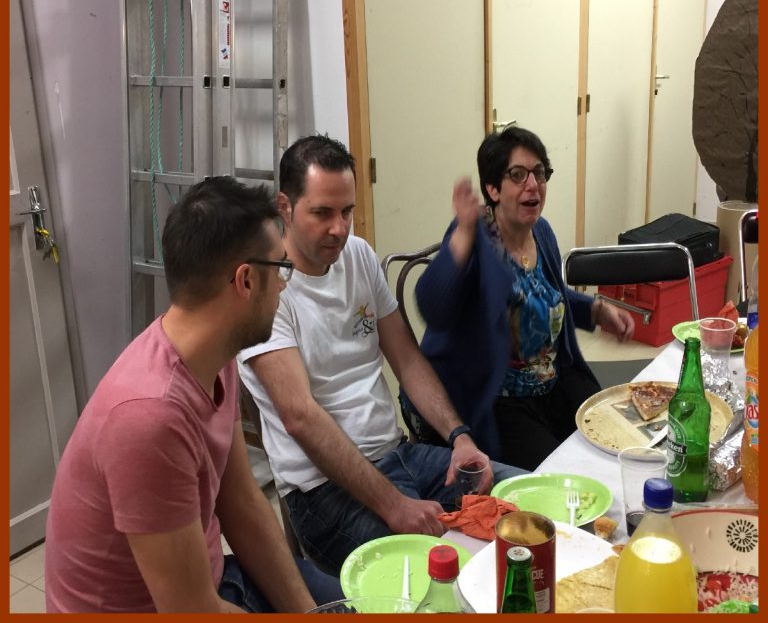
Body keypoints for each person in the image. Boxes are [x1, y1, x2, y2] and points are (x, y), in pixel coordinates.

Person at [45, 177, 343, 613]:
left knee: (351, 604)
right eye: (280, 268)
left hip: (209, 585)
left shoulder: (216, 353)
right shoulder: (149, 418)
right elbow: (192, 612)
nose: (284, 285)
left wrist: (306, 612)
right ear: (245, 281)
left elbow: (240, 501)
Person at [238, 135, 524, 575]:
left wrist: (459, 436)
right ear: (285, 206)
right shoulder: (267, 288)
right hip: (323, 491)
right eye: (322, 213)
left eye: (347, 211)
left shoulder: (358, 255)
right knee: (440, 575)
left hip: (398, 454)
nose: (339, 228)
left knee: (524, 501)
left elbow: (407, 359)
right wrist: (394, 505)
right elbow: (300, 416)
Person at [402, 126, 635, 470]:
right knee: (561, 474)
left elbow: (544, 296)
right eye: (517, 175)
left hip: (551, 383)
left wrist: (596, 311)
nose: (533, 184)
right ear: (492, 189)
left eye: (539, 173)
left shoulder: (541, 231)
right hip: (496, 399)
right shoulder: (477, 237)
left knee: (614, 441)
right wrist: (464, 232)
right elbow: (431, 306)